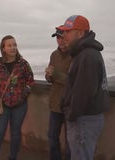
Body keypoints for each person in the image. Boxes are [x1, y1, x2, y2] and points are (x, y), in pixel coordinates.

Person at [59, 15, 110, 160]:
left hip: (84, 120)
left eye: (68, 31)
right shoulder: (84, 53)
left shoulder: (87, 55)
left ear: (80, 33)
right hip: (85, 119)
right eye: (63, 32)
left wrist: (70, 114)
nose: (63, 35)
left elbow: (83, 93)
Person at [0, 35, 34, 160]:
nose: (13, 47)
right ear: (3, 48)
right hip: (3, 104)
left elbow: (30, 81)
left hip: (20, 105)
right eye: (9, 45)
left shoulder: (23, 64)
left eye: (14, 45)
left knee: (15, 134)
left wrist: (23, 94)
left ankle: (13, 157)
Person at [45, 27, 71, 160]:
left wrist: (55, 75)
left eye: (62, 37)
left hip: (70, 105)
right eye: (58, 37)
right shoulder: (54, 55)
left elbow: (74, 81)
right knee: (52, 137)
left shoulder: (76, 55)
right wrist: (48, 76)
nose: (60, 41)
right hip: (55, 104)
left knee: (70, 142)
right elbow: (50, 78)